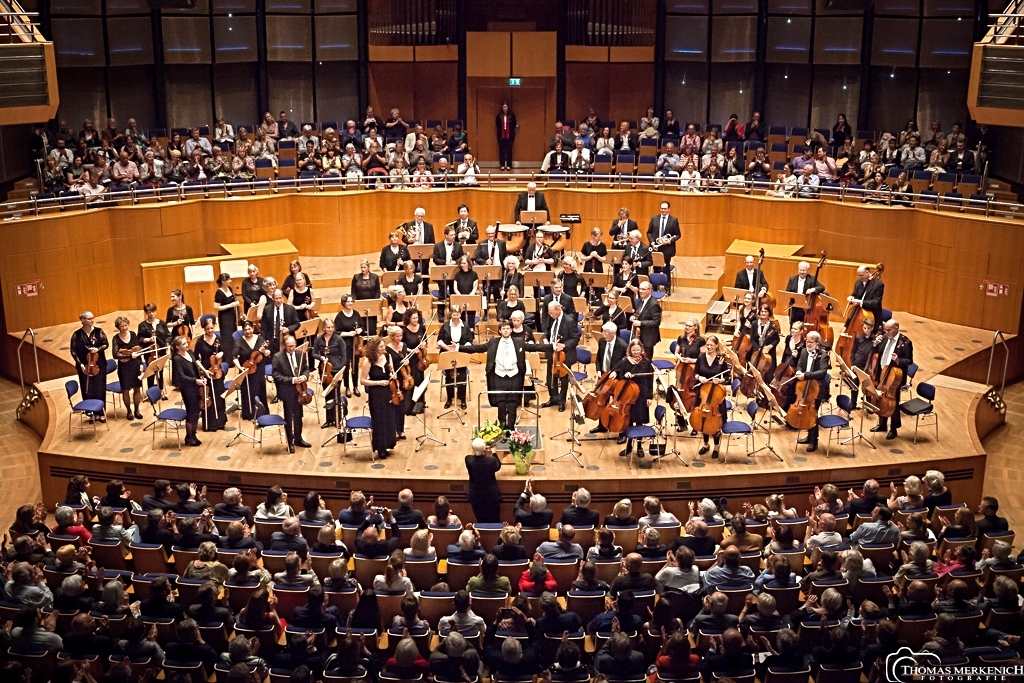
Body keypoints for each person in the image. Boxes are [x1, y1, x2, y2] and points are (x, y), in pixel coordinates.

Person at [460, 318, 547, 429]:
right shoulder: (493, 342)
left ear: (511, 330)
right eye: (503, 329)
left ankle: (510, 429)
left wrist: (552, 347)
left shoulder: (519, 341)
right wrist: (459, 347)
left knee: (512, 405)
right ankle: (501, 428)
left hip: (514, 376)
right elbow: (477, 348)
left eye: (507, 328)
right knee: (501, 405)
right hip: (498, 376)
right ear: (500, 331)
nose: (505, 331)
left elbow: (535, 347)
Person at [608, 340, 654, 466]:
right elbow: (620, 376)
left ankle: (639, 446)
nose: (636, 352)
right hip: (628, 395)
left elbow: (650, 379)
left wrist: (649, 396)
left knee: (639, 421)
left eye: (638, 350)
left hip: (642, 394)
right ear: (630, 350)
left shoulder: (646, 362)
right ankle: (628, 446)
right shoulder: (625, 361)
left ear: (641, 350)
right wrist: (625, 375)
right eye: (634, 350)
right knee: (628, 421)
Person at [868, 319, 914, 440]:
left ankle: (893, 429)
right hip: (882, 372)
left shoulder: (905, 342)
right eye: (885, 330)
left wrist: (899, 360)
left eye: (889, 330)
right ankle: (882, 424)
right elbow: (875, 353)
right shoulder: (883, 338)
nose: (886, 332)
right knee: (881, 398)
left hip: (895, 377)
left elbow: (909, 361)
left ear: (896, 328)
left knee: (893, 403)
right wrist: (875, 345)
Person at [693, 335, 731, 459]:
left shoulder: (721, 359)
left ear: (716, 346)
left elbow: (727, 378)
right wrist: (700, 378)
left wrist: (720, 381)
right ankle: (705, 445)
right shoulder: (701, 357)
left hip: (716, 397)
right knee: (703, 419)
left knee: (715, 423)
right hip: (703, 394)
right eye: (707, 345)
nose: (709, 347)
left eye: (711, 345)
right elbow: (695, 373)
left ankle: (716, 447)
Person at [360, 336, 398, 460]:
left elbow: (391, 372)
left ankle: (388, 444)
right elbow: (363, 381)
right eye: (381, 346)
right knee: (379, 420)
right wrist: (378, 382)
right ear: (374, 348)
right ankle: (380, 448)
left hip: (388, 391)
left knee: (389, 418)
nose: (384, 348)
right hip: (376, 394)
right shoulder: (368, 361)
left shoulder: (388, 357)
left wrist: (393, 375)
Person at [793, 330, 831, 453]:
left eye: (811, 342)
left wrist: (806, 375)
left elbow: (822, 372)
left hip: (817, 389)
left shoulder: (823, 356)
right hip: (805, 386)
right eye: (807, 341)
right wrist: (799, 371)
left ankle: (814, 441)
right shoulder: (804, 351)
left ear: (817, 343)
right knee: (805, 411)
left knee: (812, 413)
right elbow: (799, 364)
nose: (808, 344)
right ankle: (809, 436)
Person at [272, 335, 310, 454]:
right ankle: (290, 441)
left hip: (300, 390)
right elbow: (276, 375)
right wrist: (292, 380)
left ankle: (298, 438)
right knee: (289, 417)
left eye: (293, 346)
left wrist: (304, 376)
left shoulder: (301, 354)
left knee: (299, 416)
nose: (292, 348)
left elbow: (306, 369)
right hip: (287, 391)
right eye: (289, 346)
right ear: (284, 346)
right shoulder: (277, 357)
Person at [540, 301, 579, 412]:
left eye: (552, 312)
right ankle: (553, 398)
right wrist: (545, 338)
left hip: (564, 354)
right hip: (551, 352)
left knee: (563, 378)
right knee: (550, 376)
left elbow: (575, 338)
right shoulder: (551, 317)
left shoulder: (569, 321)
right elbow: (547, 330)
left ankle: (561, 401)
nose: (550, 314)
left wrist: (564, 345)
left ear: (558, 310)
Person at [69, 310, 109, 414]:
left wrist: (97, 349)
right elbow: (73, 351)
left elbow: (105, 344)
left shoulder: (99, 331)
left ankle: (101, 412)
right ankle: (90, 412)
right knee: (87, 389)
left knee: (100, 388)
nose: (92, 320)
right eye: (89, 319)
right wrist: (81, 364)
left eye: (92, 318)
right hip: (84, 366)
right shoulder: (76, 335)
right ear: (82, 320)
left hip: (99, 365)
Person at [169, 334, 206, 447]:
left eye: (186, 343)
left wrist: (202, 374)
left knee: (196, 412)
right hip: (187, 389)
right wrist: (196, 380)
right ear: (177, 347)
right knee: (191, 412)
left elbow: (195, 366)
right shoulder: (177, 359)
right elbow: (181, 376)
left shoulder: (189, 352)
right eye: (184, 344)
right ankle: (189, 437)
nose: (187, 345)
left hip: (196, 387)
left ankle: (193, 435)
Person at [437, 304, 474, 410]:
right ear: (450, 314)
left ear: (460, 314)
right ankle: (449, 399)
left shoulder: (465, 326)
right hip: (448, 354)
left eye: (457, 315)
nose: (456, 317)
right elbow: (439, 340)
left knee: (462, 376)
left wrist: (459, 347)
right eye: (454, 315)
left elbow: (469, 341)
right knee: (449, 377)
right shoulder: (445, 325)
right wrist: (448, 348)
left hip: (461, 353)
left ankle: (462, 399)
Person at [194, 317, 227, 432]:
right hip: (206, 372)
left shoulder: (218, 338)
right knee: (208, 397)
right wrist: (204, 371)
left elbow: (224, 351)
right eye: (208, 329)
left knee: (219, 396)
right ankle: (210, 424)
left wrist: (220, 354)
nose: (210, 330)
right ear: (204, 329)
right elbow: (196, 359)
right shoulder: (200, 341)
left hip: (217, 371)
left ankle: (220, 422)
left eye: (212, 328)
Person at [466, 438, 502, 523]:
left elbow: (474, 456)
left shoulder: (468, 460)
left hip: (476, 496)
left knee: (480, 519)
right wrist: (494, 452)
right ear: (485, 449)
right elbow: (498, 466)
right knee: (495, 519)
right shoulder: (491, 461)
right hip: (491, 497)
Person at [783, 260, 826, 325]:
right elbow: (788, 291)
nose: (802, 272)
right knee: (793, 325)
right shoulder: (792, 279)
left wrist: (813, 289)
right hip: (795, 307)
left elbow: (822, 287)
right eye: (800, 270)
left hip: (806, 308)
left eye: (804, 270)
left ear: (807, 270)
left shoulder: (812, 279)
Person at [496, 103, 517, 171]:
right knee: (501, 150)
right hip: (501, 135)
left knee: (509, 150)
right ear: (502, 108)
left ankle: (509, 165)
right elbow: (497, 125)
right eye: (503, 107)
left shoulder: (512, 115)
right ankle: (502, 165)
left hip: (509, 136)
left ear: (508, 108)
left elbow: (514, 124)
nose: (505, 108)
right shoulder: (499, 116)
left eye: (506, 107)